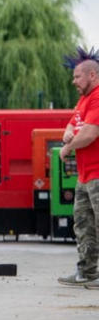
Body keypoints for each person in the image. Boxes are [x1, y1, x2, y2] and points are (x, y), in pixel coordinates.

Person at [58, 55, 99, 288]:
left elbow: (91, 133)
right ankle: (87, 271)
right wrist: (68, 131)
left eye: (77, 76)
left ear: (92, 75)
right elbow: (74, 123)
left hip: (98, 174)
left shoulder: (98, 97)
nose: (73, 81)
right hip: (85, 176)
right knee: (83, 224)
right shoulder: (84, 101)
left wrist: (68, 146)